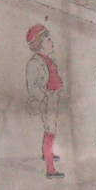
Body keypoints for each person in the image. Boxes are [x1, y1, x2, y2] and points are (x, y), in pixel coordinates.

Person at [25, 25, 64, 179]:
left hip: (53, 97)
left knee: (51, 128)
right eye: (48, 40)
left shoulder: (48, 58)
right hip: (46, 100)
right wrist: (44, 98)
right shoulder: (34, 63)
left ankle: (47, 153)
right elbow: (32, 87)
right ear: (39, 44)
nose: (52, 42)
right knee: (50, 131)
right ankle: (50, 169)